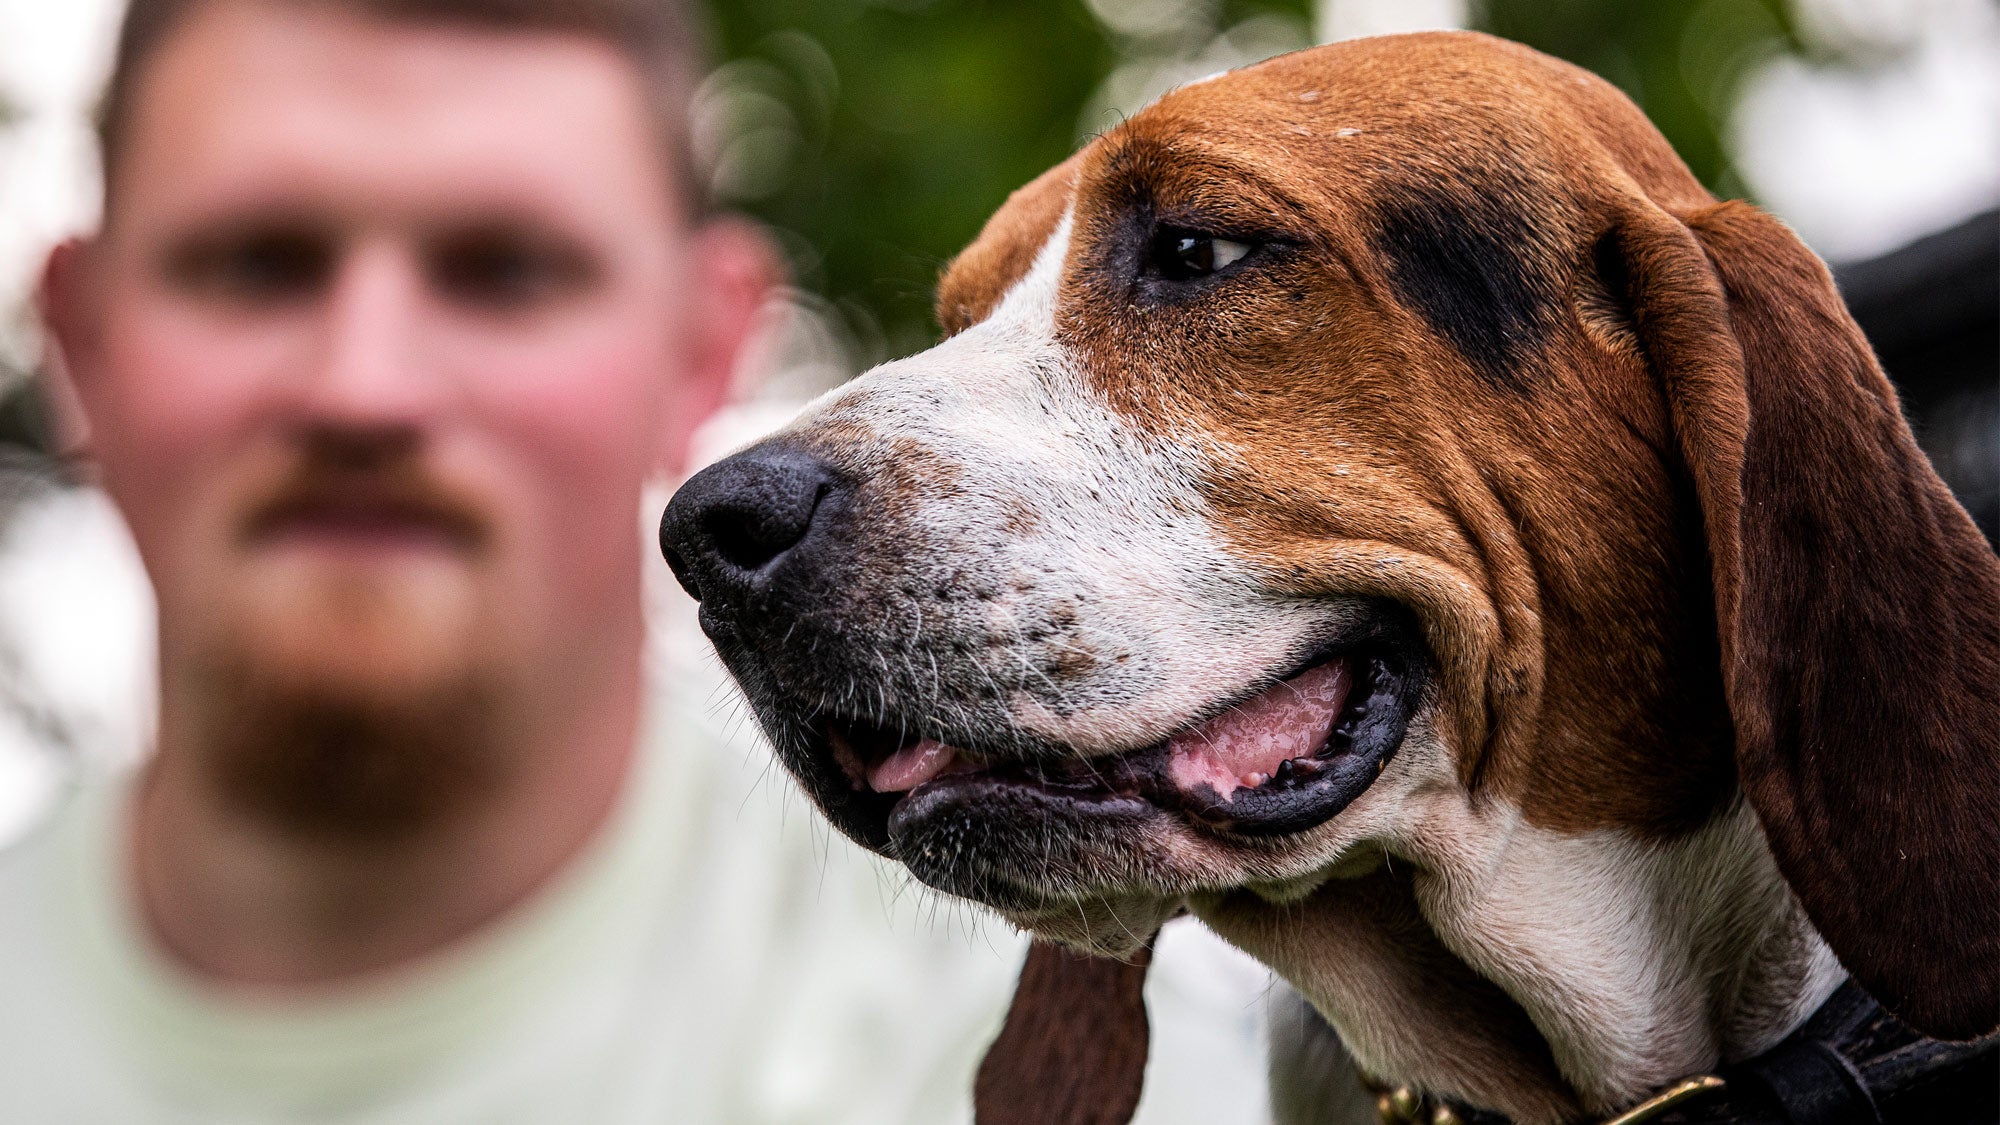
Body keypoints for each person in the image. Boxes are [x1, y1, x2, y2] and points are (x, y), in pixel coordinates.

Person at [0, 0, 1276, 1120]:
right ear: (81, 341)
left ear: (704, 348)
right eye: (256, 266)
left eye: (502, 272)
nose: (364, 387)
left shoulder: (1066, 1054)